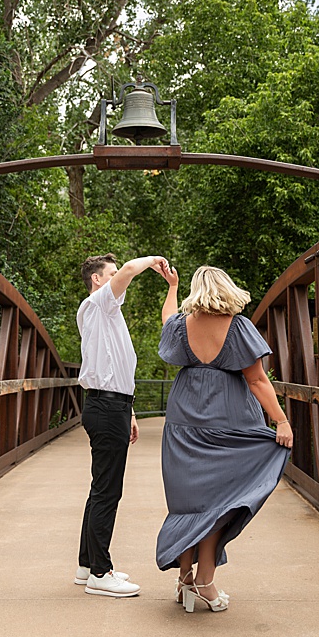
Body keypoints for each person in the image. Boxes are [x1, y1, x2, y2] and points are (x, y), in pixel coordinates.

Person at [155, 263, 293, 613]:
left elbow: (167, 316)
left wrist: (172, 287)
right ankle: (205, 580)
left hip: (183, 424)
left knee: (190, 504)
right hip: (227, 423)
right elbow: (258, 380)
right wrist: (281, 421)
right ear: (226, 288)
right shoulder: (238, 327)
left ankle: (186, 579)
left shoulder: (180, 327)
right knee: (220, 503)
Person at [75, 252, 170, 598]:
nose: (119, 278)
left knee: (100, 488)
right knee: (107, 492)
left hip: (111, 405)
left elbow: (116, 370)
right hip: (105, 407)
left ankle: (87, 566)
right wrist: (155, 260)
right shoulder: (98, 303)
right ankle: (101, 572)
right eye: (111, 274)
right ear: (98, 280)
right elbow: (131, 268)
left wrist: (128, 411)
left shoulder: (106, 314)